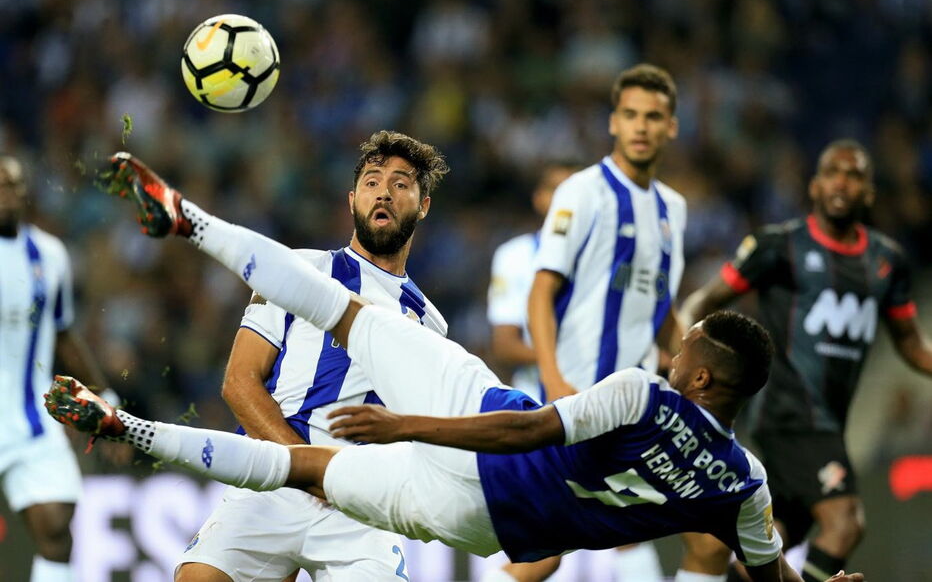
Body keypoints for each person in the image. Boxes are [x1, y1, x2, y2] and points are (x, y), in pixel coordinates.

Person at [48, 153, 863, 582]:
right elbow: (769, 575)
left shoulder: (642, 395)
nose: (672, 346)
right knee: (306, 460)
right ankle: (126, 422)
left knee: (343, 323)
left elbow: (526, 428)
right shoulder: (743, 483)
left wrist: (406, 423)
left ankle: (187, 224)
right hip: (480, 520)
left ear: (700, 378)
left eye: (685, 346)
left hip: (458, 431)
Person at [178, 131, 450, 582]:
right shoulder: (297, 269)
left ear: (422, 206)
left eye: (400, 184)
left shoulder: (431, 325)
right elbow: (239, 382)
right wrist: (306, 467)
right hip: (276, 473)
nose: (383, 192)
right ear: (352, 201)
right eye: (372, 181)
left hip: (360, 505)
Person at [680, 139, 932, 582]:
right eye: (833, 172)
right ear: (815, 186)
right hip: (789, 412)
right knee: (845, 521)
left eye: (854, 175)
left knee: (769, 545)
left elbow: (910, 343)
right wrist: (685, 358)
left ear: (869, 192)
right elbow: (704, 300)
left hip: (829, 421)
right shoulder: (779, 246)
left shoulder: (887, 262)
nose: (842, 182)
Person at [501, 63, 687, 582]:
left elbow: (662, 306)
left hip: (639, 399)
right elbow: (540, 294)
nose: (641, 126)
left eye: (653, 116)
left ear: (672, 126)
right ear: (613, 122)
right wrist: (555, 381)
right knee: (558, 544)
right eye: (630, 114)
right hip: (579, 394)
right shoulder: (582, 192)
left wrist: (694, 371)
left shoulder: (674, 209)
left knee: (689, 524)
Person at [0, 156, 119, 582]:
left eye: (13, 185)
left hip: (28, 419)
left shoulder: (49, 255)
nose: (6, 194)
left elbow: (63, 333)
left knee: (55, 526)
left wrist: (105, 395)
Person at [486, 164, 575, 403]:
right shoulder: (515, 255)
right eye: (557, 190)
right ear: (539, 198)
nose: (566, 200)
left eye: (574, 191)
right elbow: (505, 345)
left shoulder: (605, 257)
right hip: (535, 398)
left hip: (600, 397)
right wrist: (572, 361)